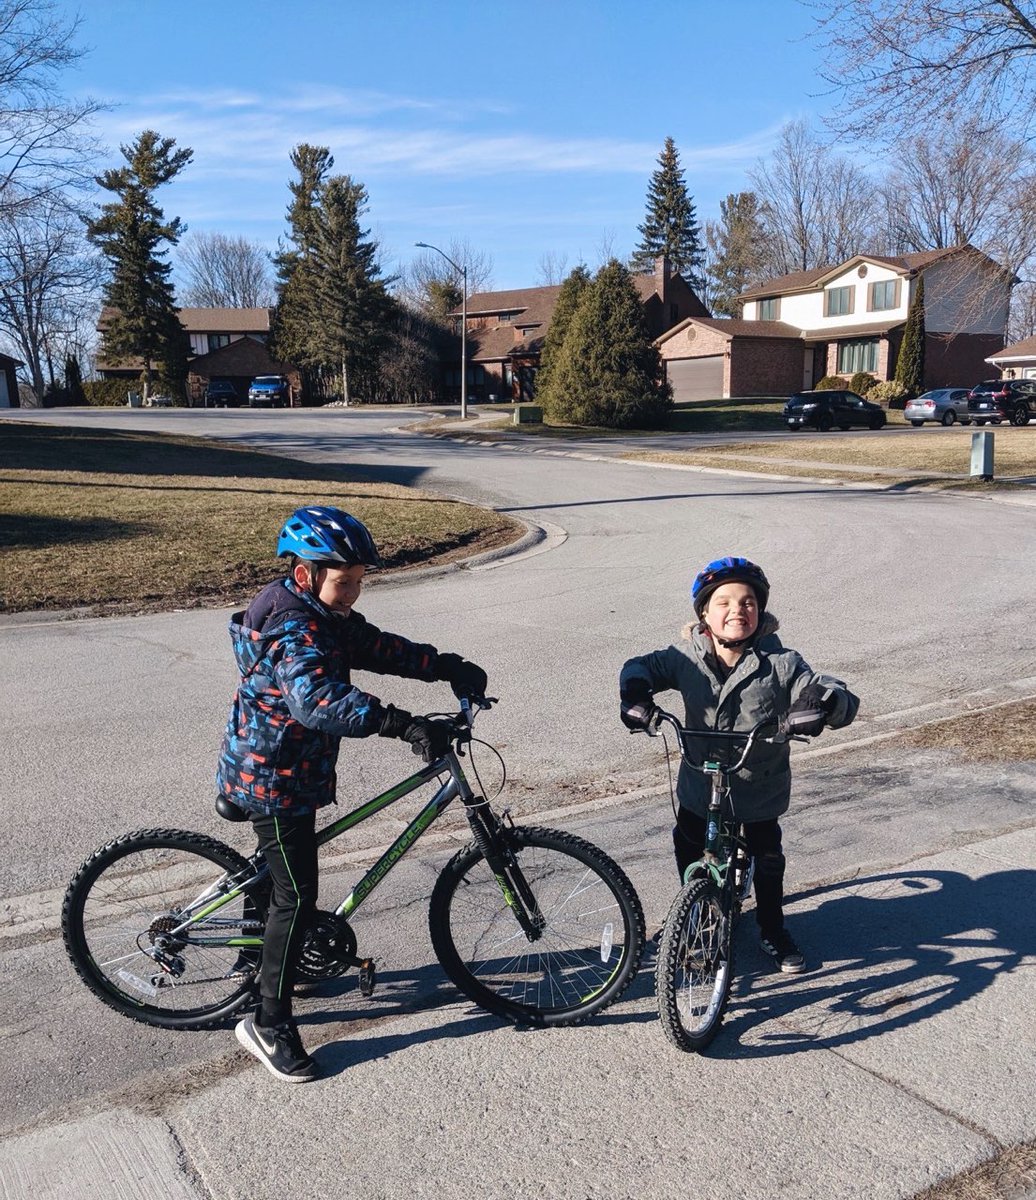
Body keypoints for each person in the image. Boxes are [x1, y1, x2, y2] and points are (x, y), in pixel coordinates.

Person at [217, 505, 488, 1082]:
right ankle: (267, 1023)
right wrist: (402, 724)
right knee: (296, 896)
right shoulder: (294, 628)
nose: (354, 594)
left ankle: (255, 960)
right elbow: (317, 701)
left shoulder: (321, 612)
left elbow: (375, 647)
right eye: (346, 582)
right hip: (274, 777)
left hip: (290, 767)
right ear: (305, 573)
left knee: (280, 879)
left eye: (361, 582)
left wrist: (446, 666)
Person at [619, 556, 858, 974]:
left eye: (748, 602)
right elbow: (640, 667)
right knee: (689, 843)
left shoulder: (781, 663)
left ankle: (772, 928)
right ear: (704, 614)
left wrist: (820, 704)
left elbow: (830, 689)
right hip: (700, 781)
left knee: (767, 857)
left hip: (757, 784)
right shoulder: (684, 657)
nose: (738, 611)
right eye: (724, 602)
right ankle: (699, 917)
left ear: (760, 610)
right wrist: (636, 695)